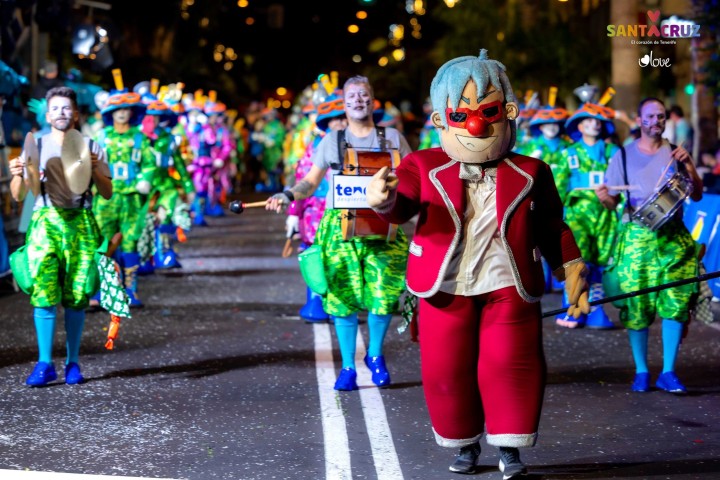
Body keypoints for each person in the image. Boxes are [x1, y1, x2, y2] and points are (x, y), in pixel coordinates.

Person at [366, 49, 590, 478]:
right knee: (446, 368)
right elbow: (403, 205)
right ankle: (464, 444)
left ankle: (509, 447)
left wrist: (573, 269)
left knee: (510, 364)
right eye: (461, 114)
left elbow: (551, 225)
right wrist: (385, 200)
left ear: (507, 112)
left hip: (509, 282)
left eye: (487, 111)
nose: (475, 124)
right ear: (441, 120)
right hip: (444, 283)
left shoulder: (531, 170)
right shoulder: (422, 164)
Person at [266, 75, 412, 391]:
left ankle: (375, 355)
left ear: (373, 100)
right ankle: (348, 366)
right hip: (341, 228)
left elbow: (413, 179)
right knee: (341, 297)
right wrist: (287, 196)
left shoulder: (394, 139)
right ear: (344, 105)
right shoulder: (332, 141)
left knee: (384, 295)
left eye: (364, 95)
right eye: (352, 97)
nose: (358, 101)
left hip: (383, 227)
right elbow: (310, 181)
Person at [596, 97, 703, 394]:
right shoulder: (622, 156)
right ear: (639, 120)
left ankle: (668, 371)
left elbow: (696, 195)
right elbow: (611, 202)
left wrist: (691, 166)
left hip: (673, 237)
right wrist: (603, 197)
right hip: (636, 237)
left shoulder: (677, 154)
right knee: (637, 303)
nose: (656, 121)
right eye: (650, 116)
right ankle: (641, 371)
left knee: (676, 300)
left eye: (661, 116)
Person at [8, 86, 113, 386]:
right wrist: (17, 173)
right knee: (43, 290)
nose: (61, 113)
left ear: (76, 114)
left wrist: (95, 170)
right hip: (45, 223)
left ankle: (73, 363)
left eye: (67, 108)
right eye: (55, 108)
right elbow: (19, 197)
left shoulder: (92, 147)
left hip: (80, 222)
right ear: (47, 113)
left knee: (78, 294)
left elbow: (107, 193)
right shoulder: (35, 146)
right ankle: (44, 363)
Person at [553, 88, 619, 329]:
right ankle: (572, 308)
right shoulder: (567, 153)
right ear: (579, 126)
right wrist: (553, 219)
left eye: (598, 121)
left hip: (606, 214)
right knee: (578, 263)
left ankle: (597, 309)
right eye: (589, 120)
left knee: (601, 265)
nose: (595, 124)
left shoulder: (613, 152)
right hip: (578, 214)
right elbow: (558, 188)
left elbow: (620, 185)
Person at [93, 76, 156, 307]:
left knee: (130, 241)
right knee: (102, 242)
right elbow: (90, 164)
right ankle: (102, 290)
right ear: (110, 112)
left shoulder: (140, 137)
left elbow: (149, 164)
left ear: (132, 112)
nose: (122, 113)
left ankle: (131, 289)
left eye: (126, 109)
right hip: (106, 197)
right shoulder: (101, 137)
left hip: (132, 197)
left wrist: (144, 180)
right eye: (117, 109)